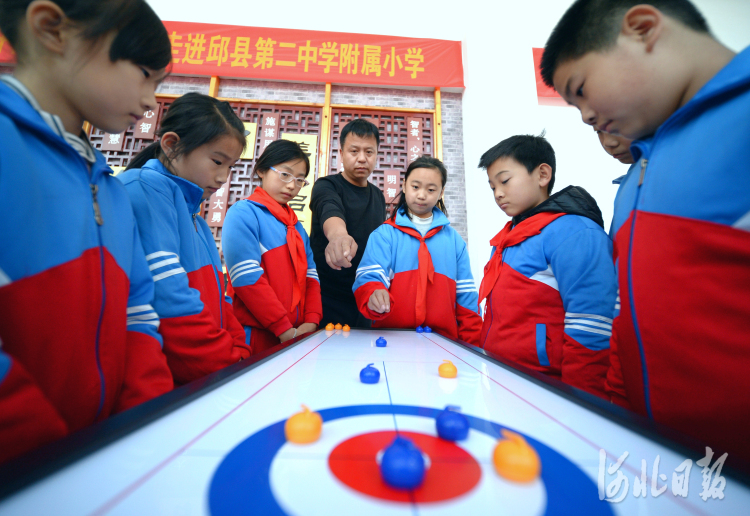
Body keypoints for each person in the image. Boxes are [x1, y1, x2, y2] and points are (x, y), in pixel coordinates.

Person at [541, 0, 750, 460]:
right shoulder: (636, 175)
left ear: (641, 29)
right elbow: (628, 311)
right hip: (662, 459)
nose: (586, 118)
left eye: (581, 90)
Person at [0, 0, 173, 463]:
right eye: (144, 73)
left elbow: (139, 314)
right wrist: (48, 464)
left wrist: (139, 427)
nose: (151, 101)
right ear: (52, 28)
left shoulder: (110, 190)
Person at [118, 93, 252, 385]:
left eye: (230, 167)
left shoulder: (198, 222)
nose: (222, 178)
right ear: (171, 144)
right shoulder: (145, 189)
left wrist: (238, 350)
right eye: (217, 162)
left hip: (203, 376)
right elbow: (169, 300)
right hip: (163, 382)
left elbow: (221, 301)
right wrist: (227, 359)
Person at [477, 134, 616, 398]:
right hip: (504, 378)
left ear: (542, 175)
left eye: (505, 181)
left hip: (552, 389)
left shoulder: (574, 232)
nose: (498, 193)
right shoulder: (509, 236)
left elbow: (592, 321)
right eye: (492, 186)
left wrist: (582, 401)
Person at [353, 157, 482, 344]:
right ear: (404, 186)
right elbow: (370, 276)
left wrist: (474, 346)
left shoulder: (454, 240)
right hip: (390, 340)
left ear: (441, 192)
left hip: (444, 343)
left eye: (431, 190)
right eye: (415, 187)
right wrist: (374, 293)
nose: (422, 195)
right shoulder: (384, 234)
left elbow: (466, 296)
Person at [222, 140, 322, 354]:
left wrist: (312, 321)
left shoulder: (296, 227)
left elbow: (311, 277)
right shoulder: (243, 213)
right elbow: (247, 278)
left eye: (299, 180)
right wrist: (283, 328)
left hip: (296, 335)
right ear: (261, 170)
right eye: (285, 174)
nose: (292, 185)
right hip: (255, 336)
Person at [309, 118, 385, 328]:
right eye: (354, 151)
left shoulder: (378, 196)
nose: (362, 158)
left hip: (364, 296)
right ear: (341, 153)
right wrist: (338, 236)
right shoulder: (327, 185)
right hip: (326, 296)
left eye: (369, 152)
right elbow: (330, 210)